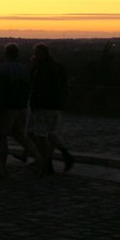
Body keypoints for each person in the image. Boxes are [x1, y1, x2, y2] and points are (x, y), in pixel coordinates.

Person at [0, 43, 38, 177]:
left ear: (6, 53)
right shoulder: (25, 69)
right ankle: (39, 159)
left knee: (2, 136)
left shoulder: (2, 69)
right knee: (20, 135)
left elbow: (0, 91)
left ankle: (2, 167)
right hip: (22, 106)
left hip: (7, 106)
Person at [28, 43, 75, 174]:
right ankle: (66, 155)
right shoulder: (60, 68)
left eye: (36, 54)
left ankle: (47, 163)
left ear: (41, 54)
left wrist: (33, 104)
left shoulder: (41, 68)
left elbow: (36, 88)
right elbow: (65, 87)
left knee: (40, 135)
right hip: (57, 105)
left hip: (43, 105)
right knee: (51, 133)